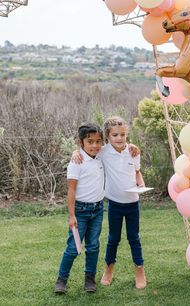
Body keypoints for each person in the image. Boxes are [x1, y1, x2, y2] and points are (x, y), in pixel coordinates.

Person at [72, 116, 147, 289]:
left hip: (132, 204)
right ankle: (108, 269)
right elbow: (86, 150)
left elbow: (137, 173)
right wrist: (75, 152)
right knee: (113, 239)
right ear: (108, 137)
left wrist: (141, 184)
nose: (119, 138)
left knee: (134, 238)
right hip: (114, 204)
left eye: (122, 135)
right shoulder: (103, 152)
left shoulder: (133, 152)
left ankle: (140, 270)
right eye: (115, 135)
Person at [54, 123, 104, 294]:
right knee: (73, 247)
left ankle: (89, 280)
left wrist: (132, 147)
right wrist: (72, 215)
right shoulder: (77, 161)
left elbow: (118, 148)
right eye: (90, 141)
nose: (95, 145)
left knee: (93, 246)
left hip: (97, 210)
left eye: (98, 141)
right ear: (81, 142)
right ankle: (61, 281)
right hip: (80, 211)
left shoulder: (100, 155)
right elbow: (71, 189)